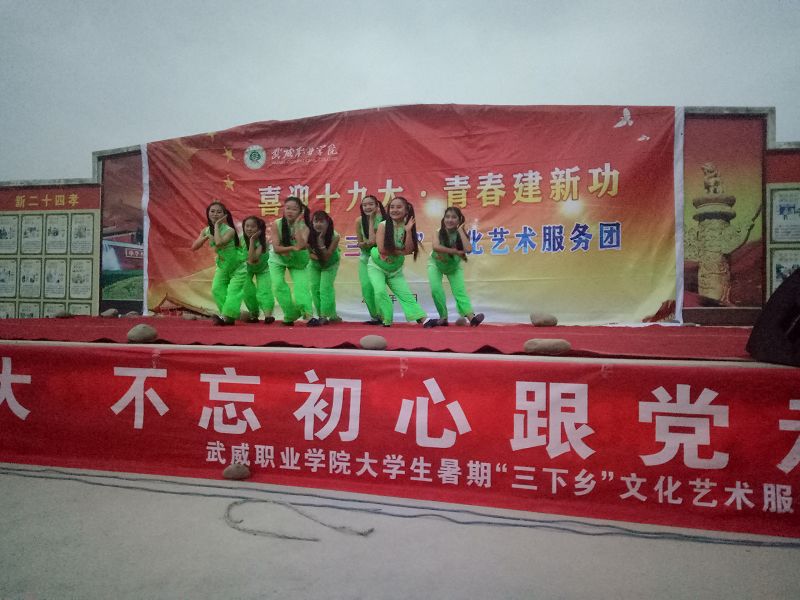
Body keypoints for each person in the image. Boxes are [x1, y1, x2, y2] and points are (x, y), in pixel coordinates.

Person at [367, 196, 430, 327]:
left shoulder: (407, 226)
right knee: (379, 291)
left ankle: (422, 318)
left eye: (399, 207)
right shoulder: (383, 225)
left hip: (395, 269)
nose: (394, 210)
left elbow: (409, 249)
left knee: (405, 294)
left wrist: (408, 231)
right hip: (376, 266)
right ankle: (387, 319)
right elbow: (382, 250)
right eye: (392, 207)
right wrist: (401, 251)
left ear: (406, 211)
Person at [425, 206, 484, 327]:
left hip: (454, 267)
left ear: (459, 220)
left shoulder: (461, 234)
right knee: (436, 290)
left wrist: (460, 231)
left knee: (460, 292)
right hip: (435, 264)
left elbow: (468, 249)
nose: (450, 220)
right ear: (443, 219)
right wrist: (455, 251)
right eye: (447, 217)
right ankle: (443, 317)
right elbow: (436, 247)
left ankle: (472, 318)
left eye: (454, 217)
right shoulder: (438, 232)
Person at [191, 201, 246, 325]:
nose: (215, 214)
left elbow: (219, 243)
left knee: (233, 292)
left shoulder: (229, 230)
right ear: (208, 213)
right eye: (212, 211)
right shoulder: (206, 230)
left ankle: (227, 316)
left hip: (238, 267)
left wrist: (216, 226)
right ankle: (227, 317)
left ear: (224, 215)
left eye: (219, 212)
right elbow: (194, 247)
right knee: (216, 289)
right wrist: (205, 237)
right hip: (223, 265)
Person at [268, 196, 313, 326]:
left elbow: (301, 245)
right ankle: (290, 315)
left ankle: (308, 315)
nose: (290, 211)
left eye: (294, 209)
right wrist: (292, 248)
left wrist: (297, 224)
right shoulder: (277, 224)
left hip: (298, 259)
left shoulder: (305, 227)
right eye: (288, 208)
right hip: (278, 259)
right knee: (278, 285)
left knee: (301, 286)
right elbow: (277, 248)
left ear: (300, 211)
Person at [355, 195, 387, 325]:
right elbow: (361, 243)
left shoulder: (383, 221)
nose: (367, 207)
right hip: (365, 258)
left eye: (370, 204)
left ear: (377, 206)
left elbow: (374, 242)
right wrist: (363, 244)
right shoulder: (358, 221)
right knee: (366, 287)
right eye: (364, 205)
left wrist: (369, 242)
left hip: (380, 259)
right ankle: (375, 316)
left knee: (378, 288)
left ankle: (384, 316)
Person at [307, 210, 341, 326]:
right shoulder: (307, 234)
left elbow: (326, 257)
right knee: (314, 288)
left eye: (322, 221)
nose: (318, 224)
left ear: (328, 223)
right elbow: (307, 253)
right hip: (314, 264)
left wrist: (321, 241)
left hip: (330, 264)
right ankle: (329, 315)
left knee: (325, 289)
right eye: (316, 221)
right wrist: (317, 257)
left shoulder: (335, 236)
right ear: (312, 223)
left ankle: (324, 315)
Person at [240, 215, 275, 324]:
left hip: (263, 269)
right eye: (247, 226)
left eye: (253, 227)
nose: (249, 229)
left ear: (259, 229)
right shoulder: (240, 240)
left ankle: (268, 315)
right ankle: (253, 314)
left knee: (264, 291)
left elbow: (253, 259)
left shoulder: (263, 242)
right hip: (246, 269)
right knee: (247, 290)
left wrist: (252, 241)